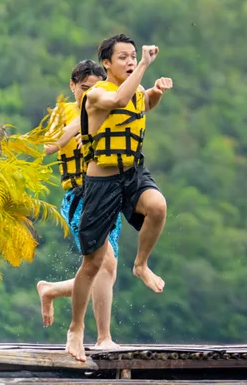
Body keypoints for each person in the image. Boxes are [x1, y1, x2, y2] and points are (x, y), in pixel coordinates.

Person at [65, 34, 172, 361]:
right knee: (94, 262)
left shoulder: (136, 89)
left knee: (157, 206)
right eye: (123, 57)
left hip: (132, 172)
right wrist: (143, 65)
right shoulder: (97, 94)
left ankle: (141, 264)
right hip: (101, 181)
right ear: (107, 64)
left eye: (133, 56)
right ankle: (76, 330)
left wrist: (154, 92)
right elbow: (120, 102)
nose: (129, 61)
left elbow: (141, 102)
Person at [36, 60, 122, 349]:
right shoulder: (63, 115)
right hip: (80, 198)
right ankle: (103, 338)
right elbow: (48, 145)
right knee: (104, 263)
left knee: (105, 272)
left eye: (95, 89)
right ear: (72, 86)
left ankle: (50, 290)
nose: (89, 94)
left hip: (109, 196)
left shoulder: (108, 106)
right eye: (84, 88)